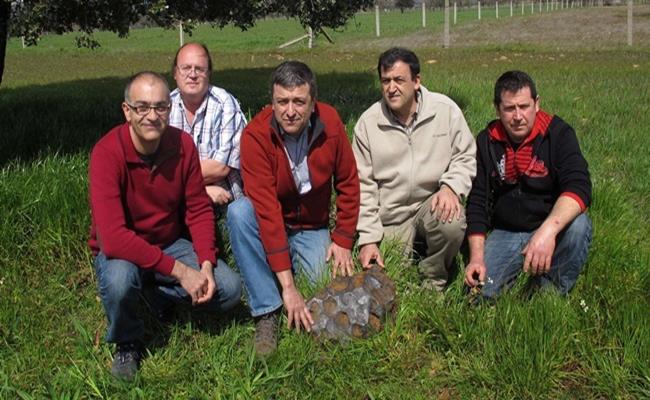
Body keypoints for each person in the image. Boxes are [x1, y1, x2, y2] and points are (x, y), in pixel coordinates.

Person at [88, 71, 241, 380]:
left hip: (168, 242)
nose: (152, 116)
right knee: (119, 282)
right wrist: (181, 272)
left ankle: (150, 293)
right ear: (127, 111)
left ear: (170, 110)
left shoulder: (182, 144)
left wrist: (206, 263)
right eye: (142, 107)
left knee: (229, 290)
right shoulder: (107, 153)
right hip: (124, 251)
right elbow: (114, 239)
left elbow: (198, 208)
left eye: (160, 107)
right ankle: (127, 341)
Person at [227, 61, 360, 356]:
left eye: (299, 102)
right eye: (282, 102)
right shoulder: (255, 136)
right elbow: (265, 209)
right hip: (270, 220)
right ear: (271, 103)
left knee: (320, 285)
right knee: (239, 212)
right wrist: (288, 287)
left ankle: (286, 274)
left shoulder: (332, 124)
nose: (290, 111)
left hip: (312, 224)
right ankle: (267, 310)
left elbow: (349, 181)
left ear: (313, 104)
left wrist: (343, 238)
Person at [352, 47, 476, 291]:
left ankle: (435, 279)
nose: (391, 88)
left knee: (451, 220)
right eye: (385, 81)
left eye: (399, 80)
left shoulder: (445, 111)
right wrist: (367, 239)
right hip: (390, 218)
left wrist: (451, 186)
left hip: (429, 206)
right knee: (382, 278)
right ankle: (409, 260)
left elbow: (466, 156)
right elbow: (362, 186)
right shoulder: (368, 124)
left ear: (416, 81)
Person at [464, 70, 592, 299]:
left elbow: (579, 186)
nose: (518, 116)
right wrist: (476, 257)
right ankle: (511, 282)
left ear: (537, 104)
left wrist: (547, 232)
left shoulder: (559, 134)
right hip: (507, 231)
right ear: (497, 109)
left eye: (524, 106)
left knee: (579, 225)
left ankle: (548, 294)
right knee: (481, 293)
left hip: (550, 224)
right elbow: (477, 201)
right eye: (509, 108)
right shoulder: (487, 140)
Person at [170, 42, 247, 209]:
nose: (192, 74)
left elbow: (219, 168)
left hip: (222, 199)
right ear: (175, 73)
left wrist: (169, 179)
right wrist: (201, 190)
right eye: (185, 68)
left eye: (199, 69)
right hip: (177, 197)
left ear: (208, 74)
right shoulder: (164, 106)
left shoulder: (225, 103)